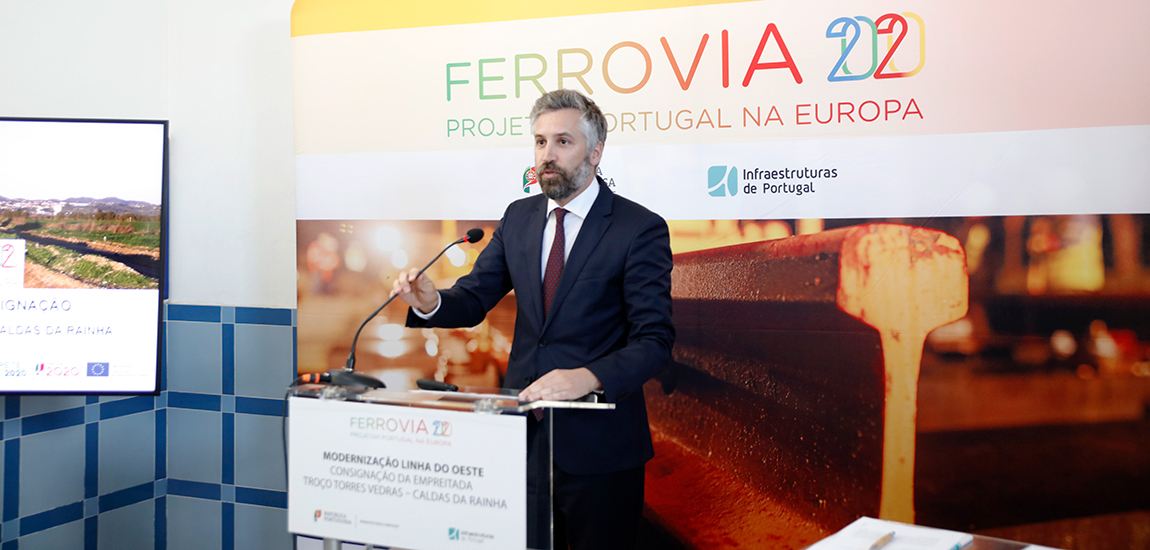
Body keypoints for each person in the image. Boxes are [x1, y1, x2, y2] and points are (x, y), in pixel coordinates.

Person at [391, 89, 674, 550]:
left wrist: (588, 377)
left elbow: (655, 340)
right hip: (522, 439)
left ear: (596, 152)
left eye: (563, 141)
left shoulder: (637, 228)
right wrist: (431, 300)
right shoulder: (518, 218)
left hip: (600, 452)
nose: (547, 155)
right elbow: (474, 298)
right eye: (540, 142)